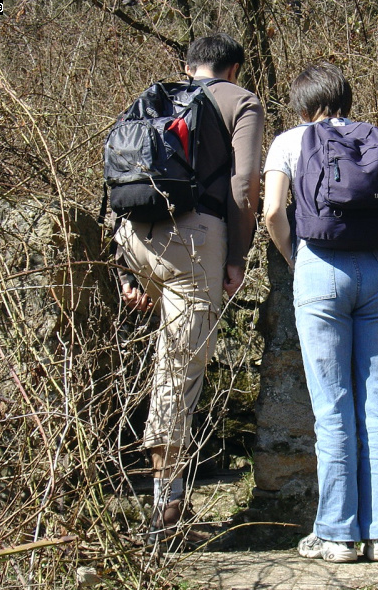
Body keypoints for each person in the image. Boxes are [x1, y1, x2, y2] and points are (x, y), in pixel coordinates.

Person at [263, 63, 378, 562]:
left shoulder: (289, 142)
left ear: (303, 105)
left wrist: (297, 260)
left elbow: (272, 212)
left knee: (332, 407)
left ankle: (337, 536)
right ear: (345, 99)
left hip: (320, 267)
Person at [113, 32, 264, 548]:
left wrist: (126, 271)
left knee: (165, 363)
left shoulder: (154, 97)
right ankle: (167, 510)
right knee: (177, 373)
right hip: (194, 245)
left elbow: (118, 177)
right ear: (234, 68)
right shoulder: (241, 101)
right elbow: (245, 184)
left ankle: (158, 493)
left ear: (188, 66)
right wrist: (238, 255)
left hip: (135, 238)